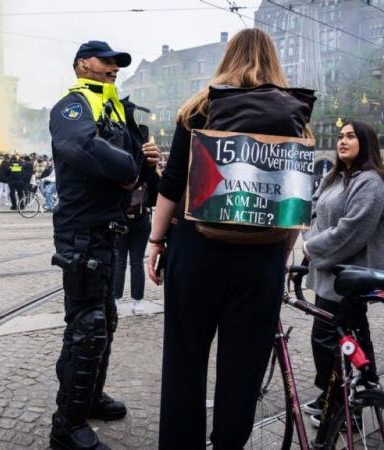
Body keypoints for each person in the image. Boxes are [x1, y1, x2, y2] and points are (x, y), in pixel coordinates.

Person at [147, 29, 312, 449]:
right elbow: (293, 195)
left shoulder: (200, 107)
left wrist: (155, 241)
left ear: (228, 57)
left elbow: (171, 183)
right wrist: (282, 250)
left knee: (184, 359)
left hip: (198, 249)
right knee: (244, 368)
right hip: (263, 259)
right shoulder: (296, 113)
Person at [48, 40, 159, 450]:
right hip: (82, 230)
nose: (114, 67)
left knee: (103, 320)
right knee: (87, 327)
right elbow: (81, 147)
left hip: (109, 228)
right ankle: (67, 425)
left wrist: (147, 157)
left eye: (118, 63)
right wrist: (132, 167)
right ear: (83, 64)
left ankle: (89, 397)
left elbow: (136, 167)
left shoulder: (116, 108)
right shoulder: (73, 105)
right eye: (106, 61)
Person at [301, 121, 384, 427]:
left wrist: (310, 248)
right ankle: (343, 393)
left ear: (366, 142)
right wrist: (313, 243)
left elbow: (352, 230)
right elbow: (315, 213)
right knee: (349, 336)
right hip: (331, 275)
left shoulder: (371, 183)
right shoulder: (335, 178)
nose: (342, 141)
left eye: (351, 136)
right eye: (340, 136)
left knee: (329, 339)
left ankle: (344, 409)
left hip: (351, 277)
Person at [113, 173, 158, 313]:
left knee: (119, 260)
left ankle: (116, 300)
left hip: (121, 220)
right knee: (137, 262)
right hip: (141, 220)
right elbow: (155, 198)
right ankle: (138, 302)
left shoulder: (119, 168)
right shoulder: (147, 172)